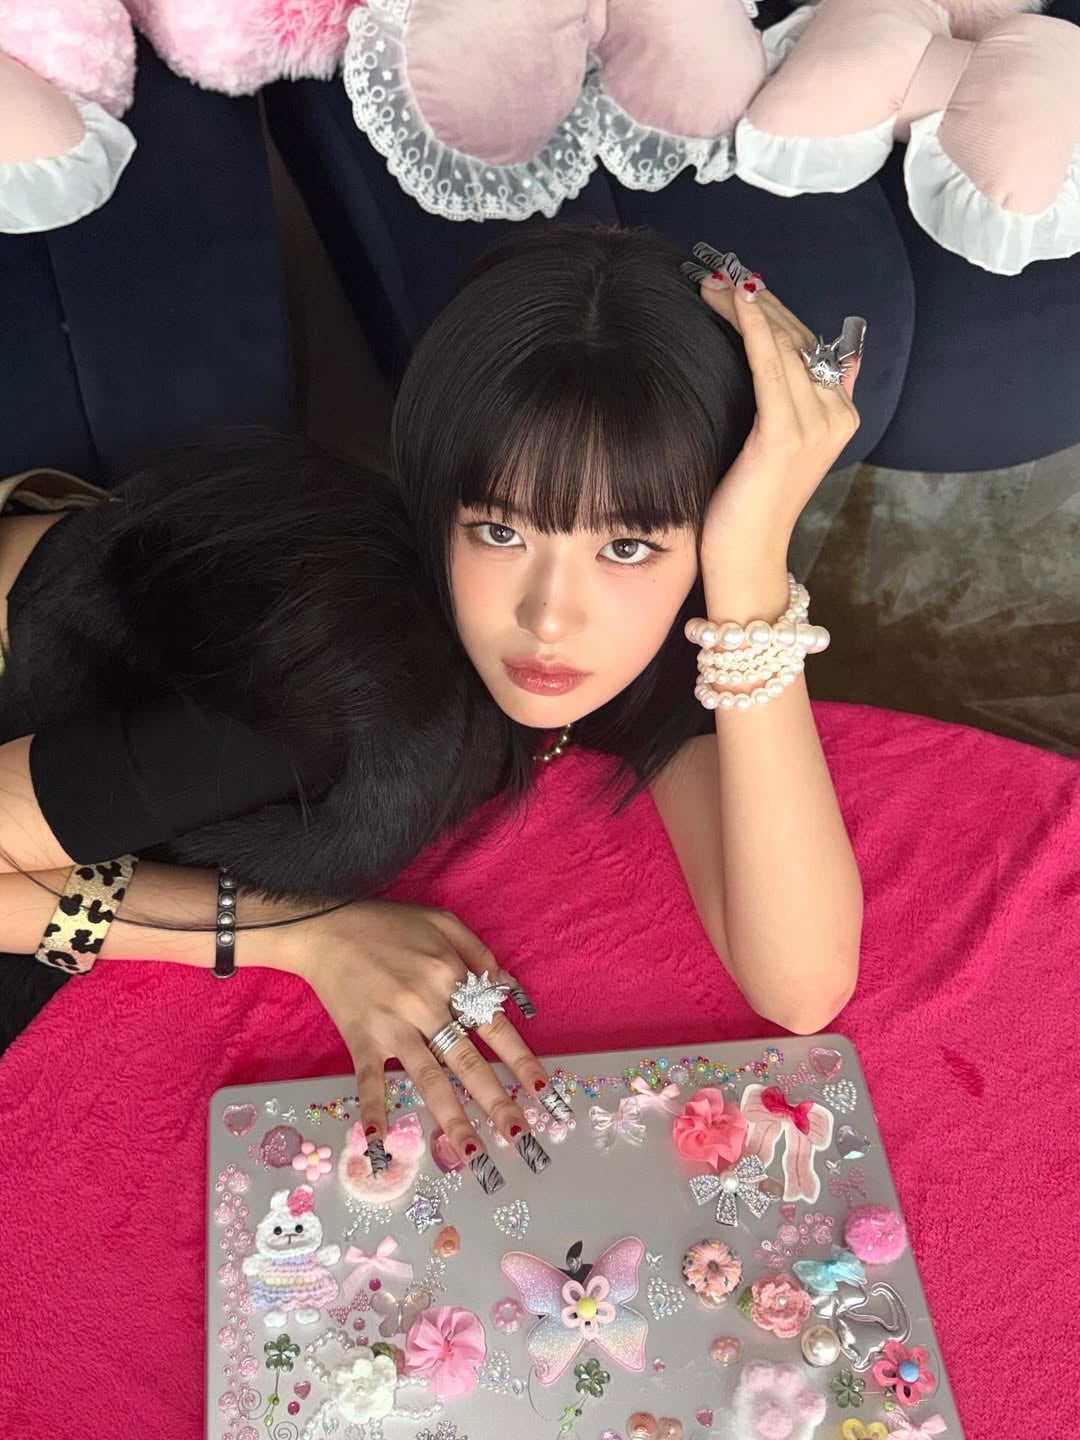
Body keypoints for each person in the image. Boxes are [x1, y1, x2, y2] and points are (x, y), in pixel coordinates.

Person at [0, 225, 864, 1177]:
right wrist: (301, 935)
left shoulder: (651, 632)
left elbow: (803, 985)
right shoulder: (344, 681)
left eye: (626, 546)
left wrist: (751, 571)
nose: (549, 618)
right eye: (499, 529)